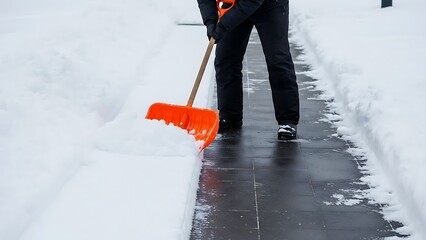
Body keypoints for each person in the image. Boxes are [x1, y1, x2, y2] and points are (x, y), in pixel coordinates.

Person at [197, 0, 300, 140]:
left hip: (270, 6)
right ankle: (229, 116)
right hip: (233, 4)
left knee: (278, 60)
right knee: (226, 58)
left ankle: (287, 120)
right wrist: (210, 21)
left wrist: (224, 25)